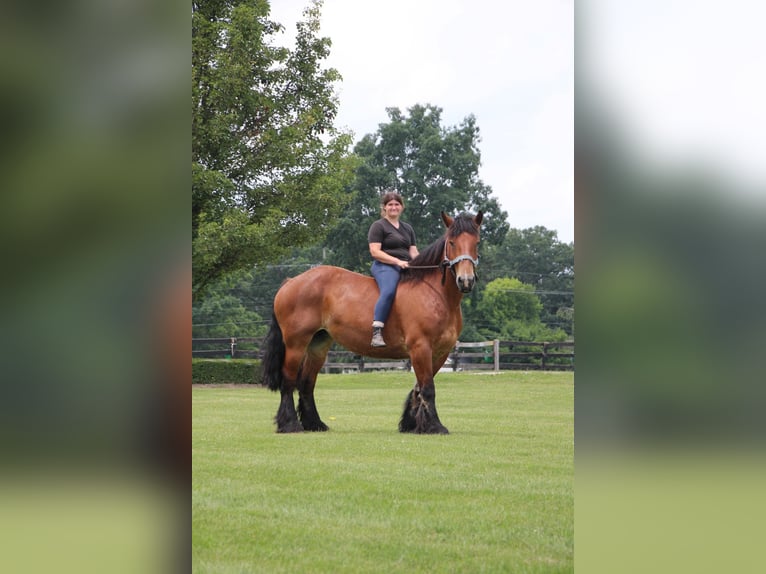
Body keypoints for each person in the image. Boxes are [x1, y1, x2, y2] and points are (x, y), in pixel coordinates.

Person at [367, 191, 419, 347]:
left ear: (402, 207)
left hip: (405, 266)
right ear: (384, 207)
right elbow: (375, 252)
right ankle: (377, 330)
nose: (393, 207)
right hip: (385, 266)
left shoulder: (407, 228)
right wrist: (397, 261)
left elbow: (413, 251)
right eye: (390, 204)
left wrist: (422, 265)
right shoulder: (378, 226)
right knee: (389, 290)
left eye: (397, 204)